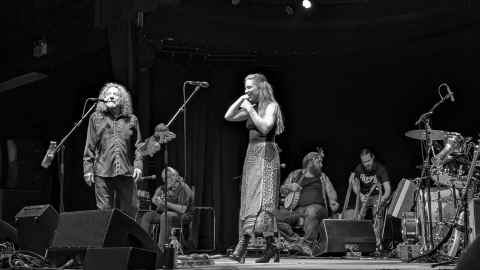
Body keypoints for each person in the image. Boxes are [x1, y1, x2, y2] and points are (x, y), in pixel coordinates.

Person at [224, 73, 285, 263]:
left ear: (260, 87)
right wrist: (242, 99)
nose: (246, 90)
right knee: (250, 199)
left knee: (264, 201)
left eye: (249, 87)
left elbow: (266, 128)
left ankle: (242, 245)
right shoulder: (254, 106)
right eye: (245, 87)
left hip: (266, 155)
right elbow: (229, 116)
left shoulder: (271, 106)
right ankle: (271, 247)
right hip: (252, 155)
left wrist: (250, 109)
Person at [83, 82, 143, 219]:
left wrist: (138, 165)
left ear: (122, 99)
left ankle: (126, 240)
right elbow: (89, 145)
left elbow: (139, 146)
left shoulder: (132, 120)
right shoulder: (96, 118)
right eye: (107, 94)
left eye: (115, 94)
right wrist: (87, 169)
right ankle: (108, 240)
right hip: (102, 172)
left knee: (131, 210)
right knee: (104, 213)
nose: (111, 96)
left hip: (126, 172)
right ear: (103, 98)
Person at [276, 150, 339, 252]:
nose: (321, 165)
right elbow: (282, 190)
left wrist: (333, 202)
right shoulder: (295, 174)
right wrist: (289, 186)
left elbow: (332, 195)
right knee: (276, 216)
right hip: (297, 211)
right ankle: (297, 242)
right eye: (319, 162)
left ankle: (307, 244)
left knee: (311, 211)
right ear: (310, 162)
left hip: (318, 209)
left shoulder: (322, 177)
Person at [140, 167, 194, 248]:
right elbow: (154, 199)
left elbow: (183, 209)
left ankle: (161, 248)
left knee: (165, 216)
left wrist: (166, 203)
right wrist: (156, 200)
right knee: (147, 216)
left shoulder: (183, 187)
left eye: (170, 176)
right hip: (165, 214)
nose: (168, 179)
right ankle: (143, 245)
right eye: (165, 178)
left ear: (176, 176)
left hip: (183, 216)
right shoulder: (163, 188)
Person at [348, 148, 391, 246]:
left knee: (377, 213)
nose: (366, 164)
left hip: (377, 196)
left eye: (368, 161)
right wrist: (360, 195)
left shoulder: (380, 169)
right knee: (359, 215)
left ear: (373, 158)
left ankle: (377, 243)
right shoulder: (359, 168)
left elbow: (387, 190)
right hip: (363, 196)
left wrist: (382, 200)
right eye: (364, 162)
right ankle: (357, 242)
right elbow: (353, 184)